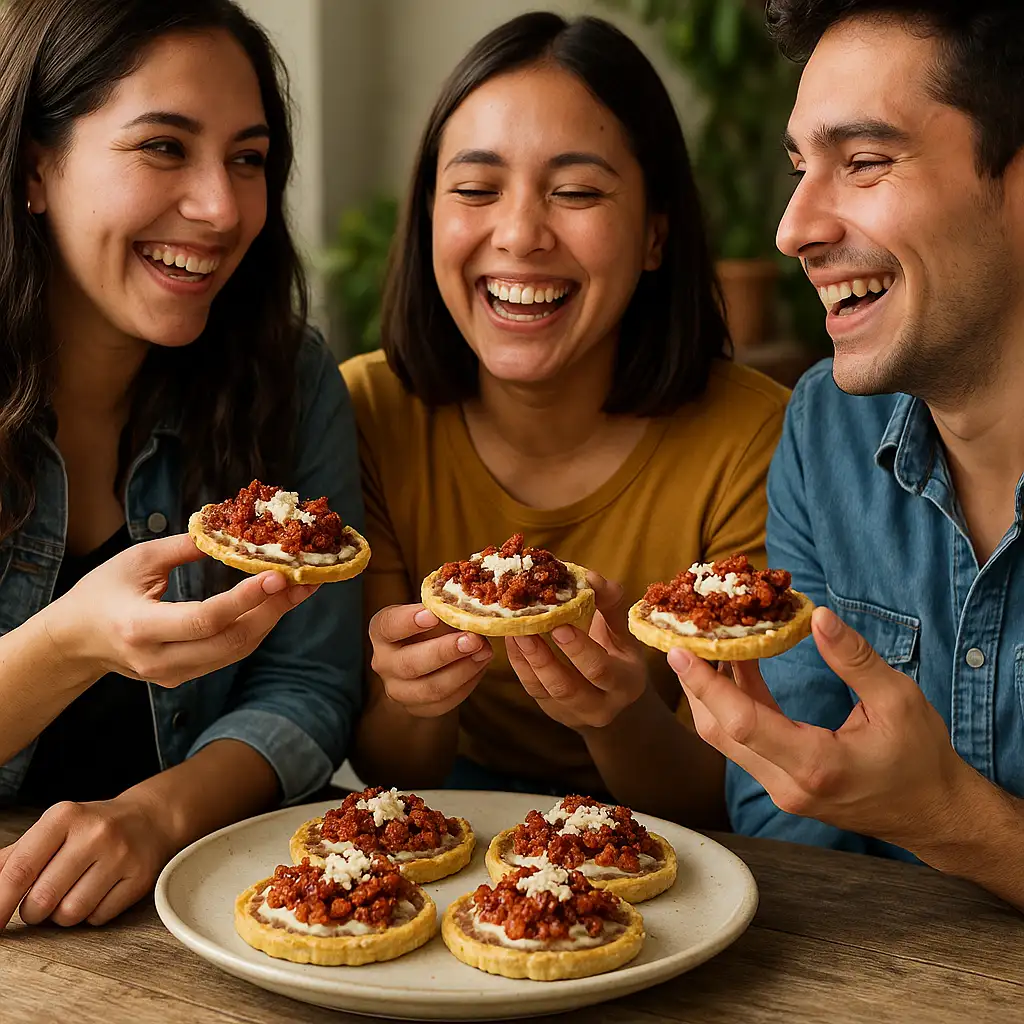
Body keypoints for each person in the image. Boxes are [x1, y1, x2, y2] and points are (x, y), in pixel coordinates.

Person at [341, 12, 789, 825]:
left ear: (656, 234)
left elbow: (730, 796)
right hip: (446, 833)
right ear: (428, 217)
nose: (518, 235)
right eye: (475, 190)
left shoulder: (756, 439)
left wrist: (620, 717)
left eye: (577, 192)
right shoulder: (367, 411)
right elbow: (390, 766)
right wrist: (416, 697)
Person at [0, 0, 362, 928]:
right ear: (35, 165)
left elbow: (309, 681)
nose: (222, 207)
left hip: (210, 907)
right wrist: (69, 642)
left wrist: (159, 814)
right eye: (164, 146)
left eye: (248, 158)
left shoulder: (288, 377)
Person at [669, 0, 1024, 909]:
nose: (792, 229)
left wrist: (956, 820)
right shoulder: (827, 428)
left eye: (864, 162)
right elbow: (788, 829)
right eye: (800, 167)